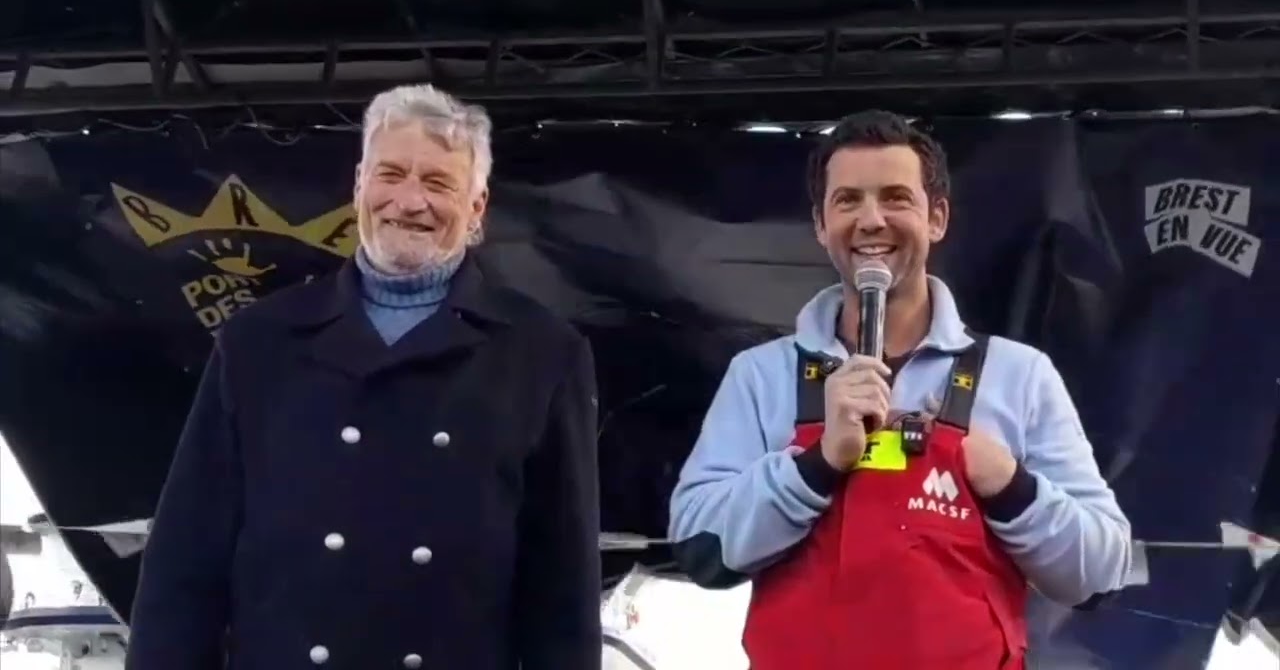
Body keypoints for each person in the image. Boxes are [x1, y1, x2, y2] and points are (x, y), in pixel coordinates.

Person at [126, 84, 603, 670]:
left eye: (437, 183)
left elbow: (562, 587)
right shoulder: (259, 343)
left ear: (477, 209)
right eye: (391, 174)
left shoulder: (543, 354)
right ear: (358, 187)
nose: (408, 200)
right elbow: (184, 562)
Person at [667, 111, 1132, 670]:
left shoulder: (1018, 375)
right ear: (819, 223)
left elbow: (1102, 572)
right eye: (847, 201)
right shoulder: (763, 375)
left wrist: (1009, 485)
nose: (870, 220)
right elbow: (700, 550)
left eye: (895, 198)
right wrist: (813, 467)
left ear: (936, 218)